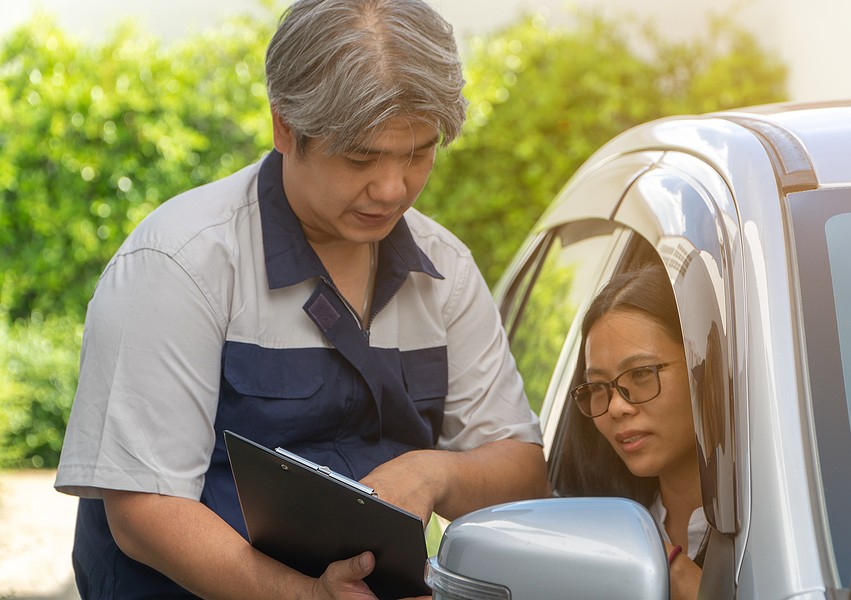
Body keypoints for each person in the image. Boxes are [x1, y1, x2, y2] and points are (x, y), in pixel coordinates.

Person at [54, 1, 549, 598]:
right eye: (362, 157)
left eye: (418, 153)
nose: (393, 189)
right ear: (284, 125)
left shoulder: (447, 271)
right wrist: (305, 595)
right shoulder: (179, 262)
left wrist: (434, 473)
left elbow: (522, 471)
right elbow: (143, 509)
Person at [555, 263, 705, 600]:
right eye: (597, 387)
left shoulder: (790, 527)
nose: (615, 408)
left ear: (703, 366)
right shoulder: (592, 538)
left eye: (640, 374)